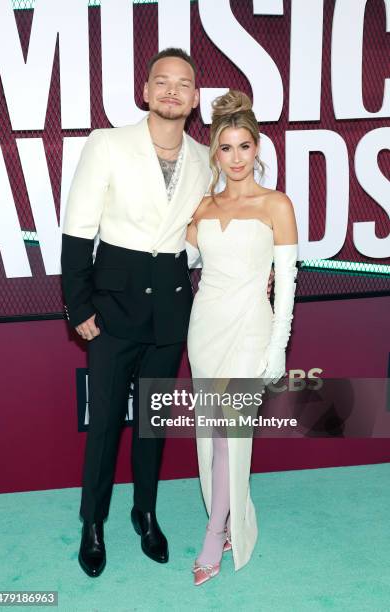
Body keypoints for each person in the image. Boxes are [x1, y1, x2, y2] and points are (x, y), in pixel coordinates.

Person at [61, 48, 212, 577]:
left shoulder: (205, 158)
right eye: (162, 82)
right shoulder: (107, 143)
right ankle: (93, 523)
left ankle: (144, 513)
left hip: (171, 307)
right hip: (111, 306)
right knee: (104, 422)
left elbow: (202, 231)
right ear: (145, 91)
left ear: (195, 99)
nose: (172, 91)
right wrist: (78, 304)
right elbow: (79, 227)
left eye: (183, 84)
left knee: (153, 422)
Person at [186, 90, 298, 585]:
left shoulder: (277, 204)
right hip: (205, 326)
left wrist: (278, 344)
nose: (235, 158)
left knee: (232, 433)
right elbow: (182, 259)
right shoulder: (203, 205)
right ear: (215, 152)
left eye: (244, 147)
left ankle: (215, 533)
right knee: (212, 435)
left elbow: (288, 282)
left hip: (251, 328)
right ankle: (227, 517)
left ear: (258, 148)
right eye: (226, 148)